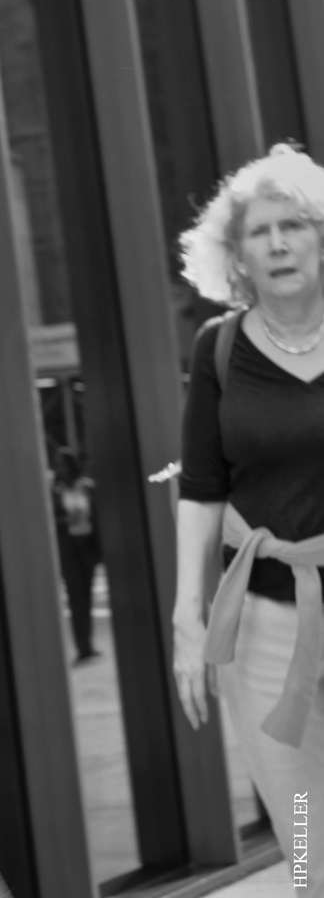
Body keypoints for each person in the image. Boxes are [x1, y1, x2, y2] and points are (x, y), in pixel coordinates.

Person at [174, 143, 324, 894]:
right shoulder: (220, 350)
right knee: (302, 822)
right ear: (235, 256)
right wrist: (186, 618)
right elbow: (200, 488)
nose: (277, 243)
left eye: (293, 225)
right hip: (263, 622)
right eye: (259, 233)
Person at [51, 449, 101, 665]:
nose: (61, 468)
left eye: (64, 464)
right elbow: (50, 520)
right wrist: (67, 520)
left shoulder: (87, 487)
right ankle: (82, 647)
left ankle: (88, 644)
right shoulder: (55, 491)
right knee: (76, 597)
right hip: (69, 549)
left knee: (87, 597)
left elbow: (99, 515)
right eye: (57, 464)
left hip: (87, 547)